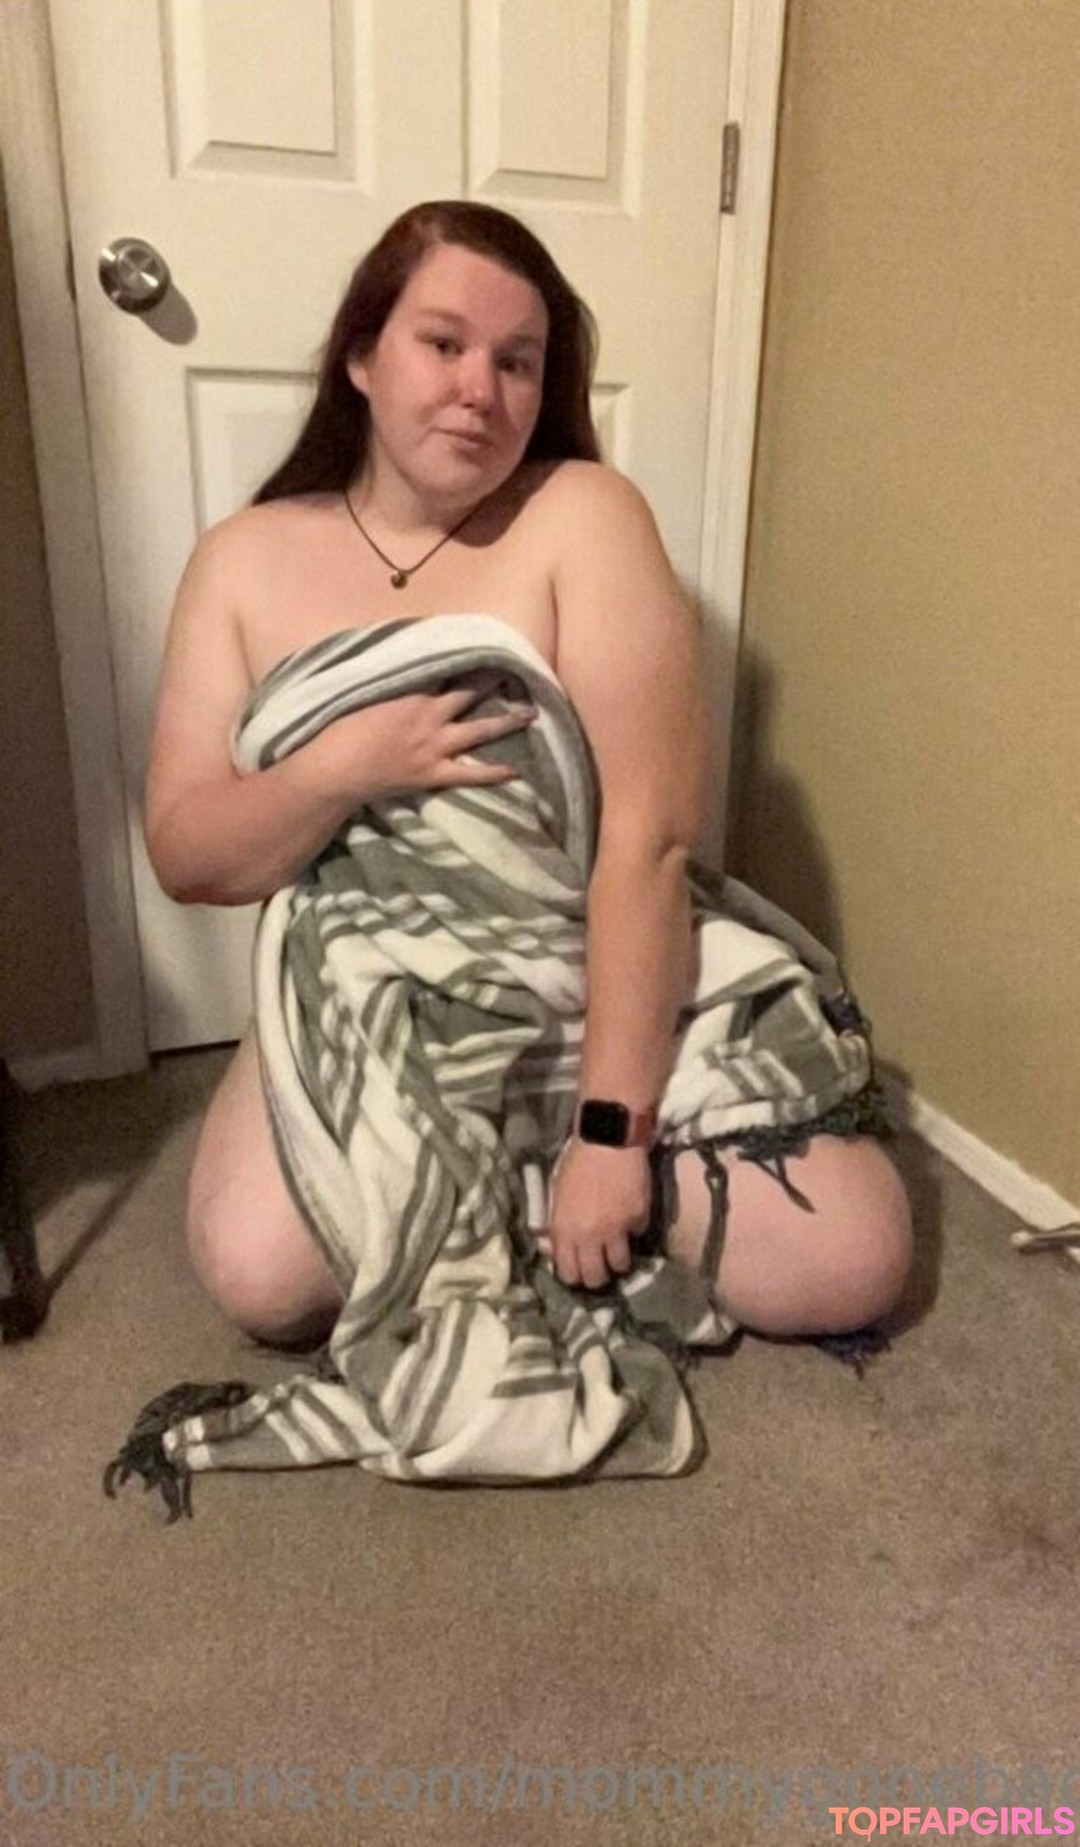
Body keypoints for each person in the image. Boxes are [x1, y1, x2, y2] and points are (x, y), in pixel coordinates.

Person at [145, 199, 912, 1358]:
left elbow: (648, 838)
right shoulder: (240, 560)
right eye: (442, 343)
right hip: (364, 977)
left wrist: (612, 1132)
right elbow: (188, 851)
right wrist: (343, 766)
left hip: (583, 955)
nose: (480, 390)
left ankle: (546, 1151)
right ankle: (453, 1145)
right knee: (264, 1277)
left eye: (518, 361)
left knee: (850, 1259)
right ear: (361, 356)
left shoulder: (582, 515)